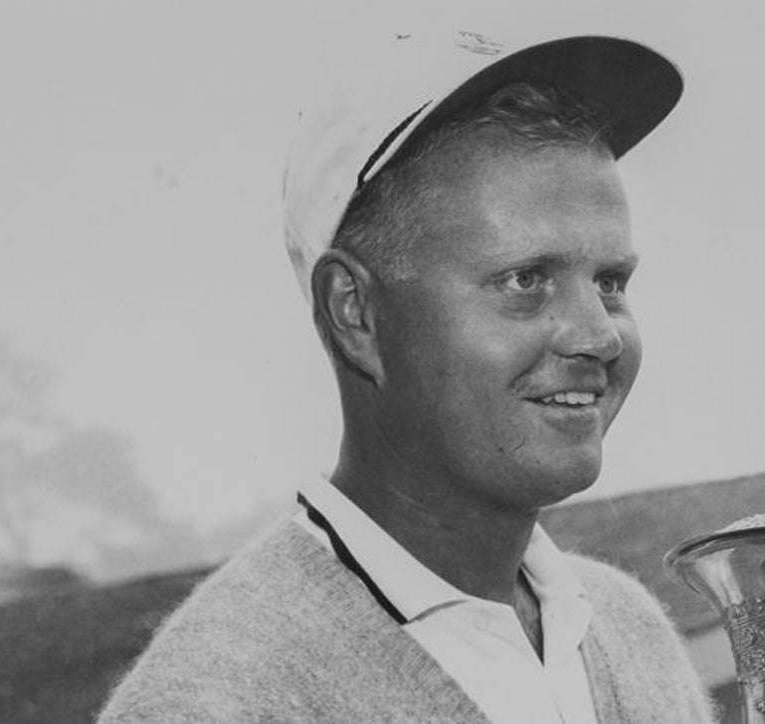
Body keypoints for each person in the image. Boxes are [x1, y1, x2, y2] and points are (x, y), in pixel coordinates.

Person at [97, 29, 715, 724]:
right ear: (355, 312)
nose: (598, 334)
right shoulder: (219, 699)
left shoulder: (629, 634)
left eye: (610, 280)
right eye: (525, 279)